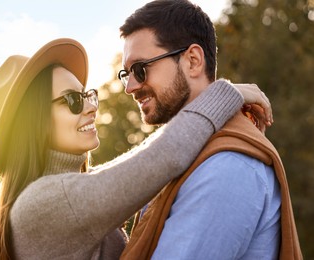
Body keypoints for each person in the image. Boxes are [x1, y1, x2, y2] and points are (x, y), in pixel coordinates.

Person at [0, 38, 271, 260]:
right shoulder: (42, 204)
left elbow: (141, 167)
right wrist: (225, 94)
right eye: (72, 100)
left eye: (87, 95)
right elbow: (162, 157)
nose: (91, 108)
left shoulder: (64, 194)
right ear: (33, 123)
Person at [117, 1, 302, 259]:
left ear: (193, 61)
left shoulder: (227, 167)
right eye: (126, 74)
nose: (130, 87)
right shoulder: (183, 158)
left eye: (140, 69)